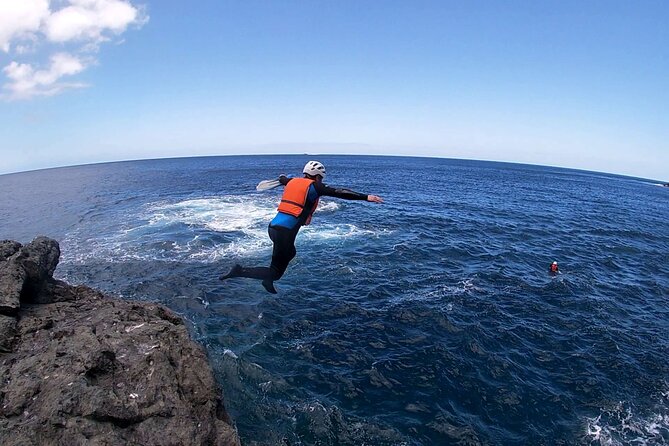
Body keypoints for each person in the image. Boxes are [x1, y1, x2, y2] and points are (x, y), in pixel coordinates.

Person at [220, 161, 384, 293]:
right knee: (276, 272)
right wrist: (366, 197)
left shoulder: (291, 181)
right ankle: (240, 271)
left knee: (291, 252)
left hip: (273, 228)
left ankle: (267, 280)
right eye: (321, 178)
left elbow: (283, 178)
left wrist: (284, 177)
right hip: (284, 233)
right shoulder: (315, 186)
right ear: (318, 177)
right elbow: (340, 192)